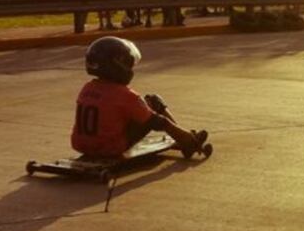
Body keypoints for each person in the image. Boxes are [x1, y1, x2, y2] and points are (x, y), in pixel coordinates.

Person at [72, 36, 205, 158]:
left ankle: (183, 140)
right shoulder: (125, 95)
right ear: (117, 66)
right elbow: (157, 122)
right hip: (110, 148)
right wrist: (184, 136)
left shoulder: (87, 88)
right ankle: (187, 141)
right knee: (154, 102)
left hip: (81, 145)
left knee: (134, 111)